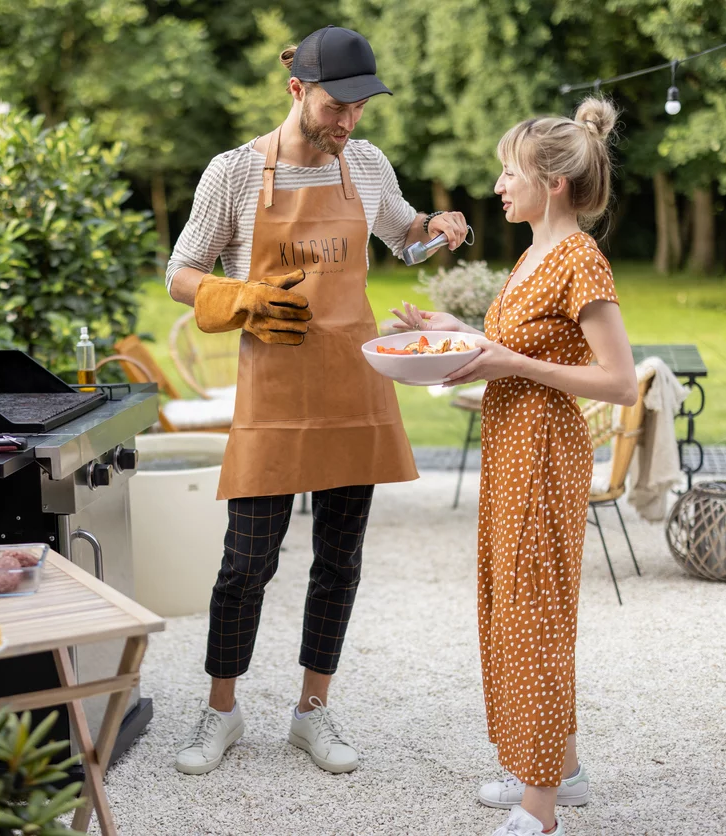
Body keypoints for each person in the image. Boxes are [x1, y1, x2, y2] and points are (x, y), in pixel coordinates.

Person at [165, 24, 468, 776]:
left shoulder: (364, 166)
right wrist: (239, 297)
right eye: (336, 106)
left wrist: (438, 228)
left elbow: (404, 239)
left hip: (352, 386)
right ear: (295, 90)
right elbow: (180, 273)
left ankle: (311, 712)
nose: (347, 123)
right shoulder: (232, 174)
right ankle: (221, 713)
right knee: (244, 566)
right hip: (271, 391)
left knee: (339, 563)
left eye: (360, 108)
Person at [394, 97, 636, 836]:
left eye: (509, 172)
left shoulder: (578, 257)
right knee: (512, 607)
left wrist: (504, 358)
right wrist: (457, 332)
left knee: (532, 614)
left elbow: (618, 381)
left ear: (552, 182)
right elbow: (522, 350)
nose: (498, 185)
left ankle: (539, 808)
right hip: (510, 446)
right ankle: (561, 772)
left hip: (542, 453)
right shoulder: (533, 254)